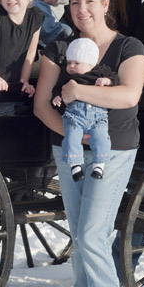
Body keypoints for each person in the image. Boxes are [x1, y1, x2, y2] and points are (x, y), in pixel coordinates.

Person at [34, 0, 144, 287]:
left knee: (92, 235)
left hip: (112, 150)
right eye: (74, 3)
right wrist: (73, 138)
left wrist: (78, 90)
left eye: (89, 1)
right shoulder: (59, 47)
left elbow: (129, 95)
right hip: (68, 151)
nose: (81, 9)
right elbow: (42, 104)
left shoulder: (128, 47)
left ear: (105, 4)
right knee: (81, 236)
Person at [52, 37, 117, 182]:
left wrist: (107, 81)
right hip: (74, 117)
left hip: (98, 117)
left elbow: (115, 79)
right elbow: (58, 89)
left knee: (101, 138)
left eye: (76, 63)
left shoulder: (100, 72)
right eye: (69, 63)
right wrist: (56, 97)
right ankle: (75, 165)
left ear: (90, 63)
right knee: (71, 138)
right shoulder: (68, 78)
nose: (71, 66)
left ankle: (99, 165)